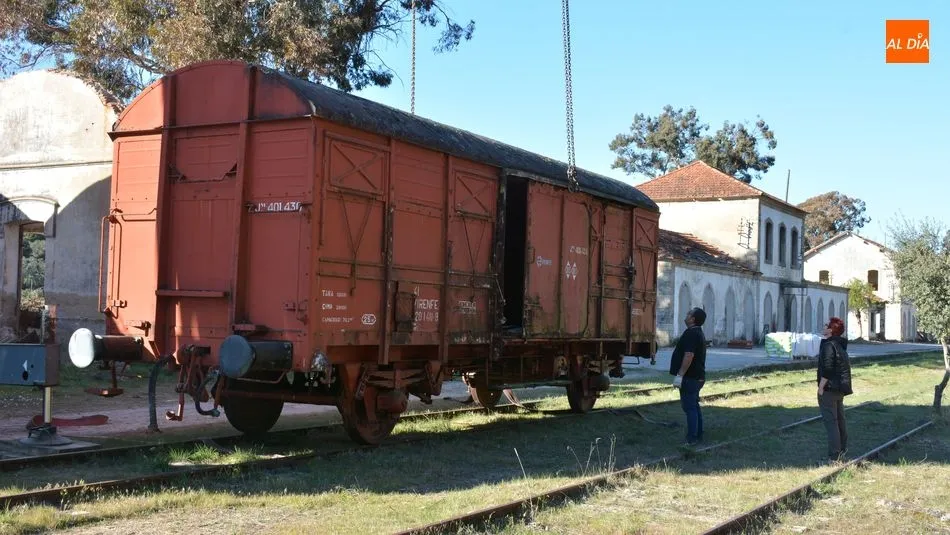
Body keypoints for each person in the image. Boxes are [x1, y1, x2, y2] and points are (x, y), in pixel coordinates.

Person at [817, 316, 853, 462]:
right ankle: (842, 451)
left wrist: (821, 387)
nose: (824, 326)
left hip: (829, 389)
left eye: (826, 325)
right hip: (839, 389)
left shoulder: (828, 346)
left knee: (831, 423)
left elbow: (828, 368)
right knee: (840, 421)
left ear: (831, 330)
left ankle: (834, 457)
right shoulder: (840, 346)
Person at [670, 307, 707, 446]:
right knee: (694, 406)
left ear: (693, 319)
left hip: (690, 377)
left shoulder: (691, 334)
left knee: (690, 407)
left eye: (688, 313)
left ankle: (691, 438)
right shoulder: (697, 332)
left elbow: (689, 355)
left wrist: (680, 375)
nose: (686, 315)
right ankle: (698, 434)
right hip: (697, 376)